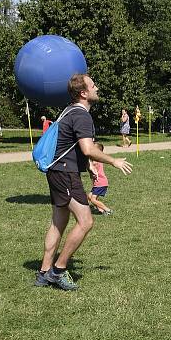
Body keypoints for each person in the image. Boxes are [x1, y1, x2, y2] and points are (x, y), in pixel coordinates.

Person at [36, 74, 133, 291]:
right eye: (93, 85)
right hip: (65, 173)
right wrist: (113, 161)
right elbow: (88, 149)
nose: (96, 87)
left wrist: (86, 165)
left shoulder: (68, 110)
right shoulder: (81, 115)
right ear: (83, 93)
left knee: (58, 222)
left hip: (57, 171)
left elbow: (70, 145)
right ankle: (58, 271)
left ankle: (43, 272)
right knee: (86, 221)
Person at [87, 141, 112, 215]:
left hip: (100, 183)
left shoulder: (95, 160)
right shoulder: (97, 159)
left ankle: (108, 210)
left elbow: (90, 163)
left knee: (93, 199)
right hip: (98, 183)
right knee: (89, 196)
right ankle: (101, 210)